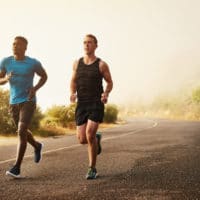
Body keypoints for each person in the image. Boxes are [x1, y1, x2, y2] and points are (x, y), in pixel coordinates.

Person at [0, 36, 47, 178]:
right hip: (13, 102)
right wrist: (6, 79)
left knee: (21, 130)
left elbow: (44, 76)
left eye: (19, 45)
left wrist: (35, 88)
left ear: (25, 47)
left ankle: (16, 168)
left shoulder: (33, 63)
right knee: (23, 131)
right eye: (14, 44)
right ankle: (37, 146)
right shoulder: (6, 61)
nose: (15, 46)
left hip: (28, 100)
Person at [70, 34, 113, 179]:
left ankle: (92, 168)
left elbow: (109, 82)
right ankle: (96, 139)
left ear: (95, 45)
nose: (86, 45)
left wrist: (106, 93)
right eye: (84, 42)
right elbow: (73, 81)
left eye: (89, 42)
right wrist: (72, 93)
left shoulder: (101, 64)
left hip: (96, 103)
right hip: (81, 103)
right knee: (82, 139)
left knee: (89, 134)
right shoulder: (77, 63)